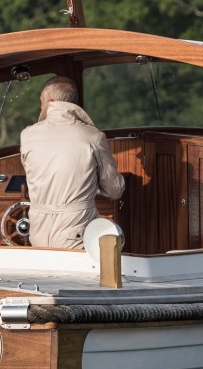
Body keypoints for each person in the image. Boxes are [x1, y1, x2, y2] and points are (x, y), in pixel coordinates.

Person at [19, 76, 125, 249]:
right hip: (76, 234)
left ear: (50, 101)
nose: (41, 107)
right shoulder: (93, 137)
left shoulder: (27, 135)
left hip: (37, 232)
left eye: (41, 102)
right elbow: (114, 191)